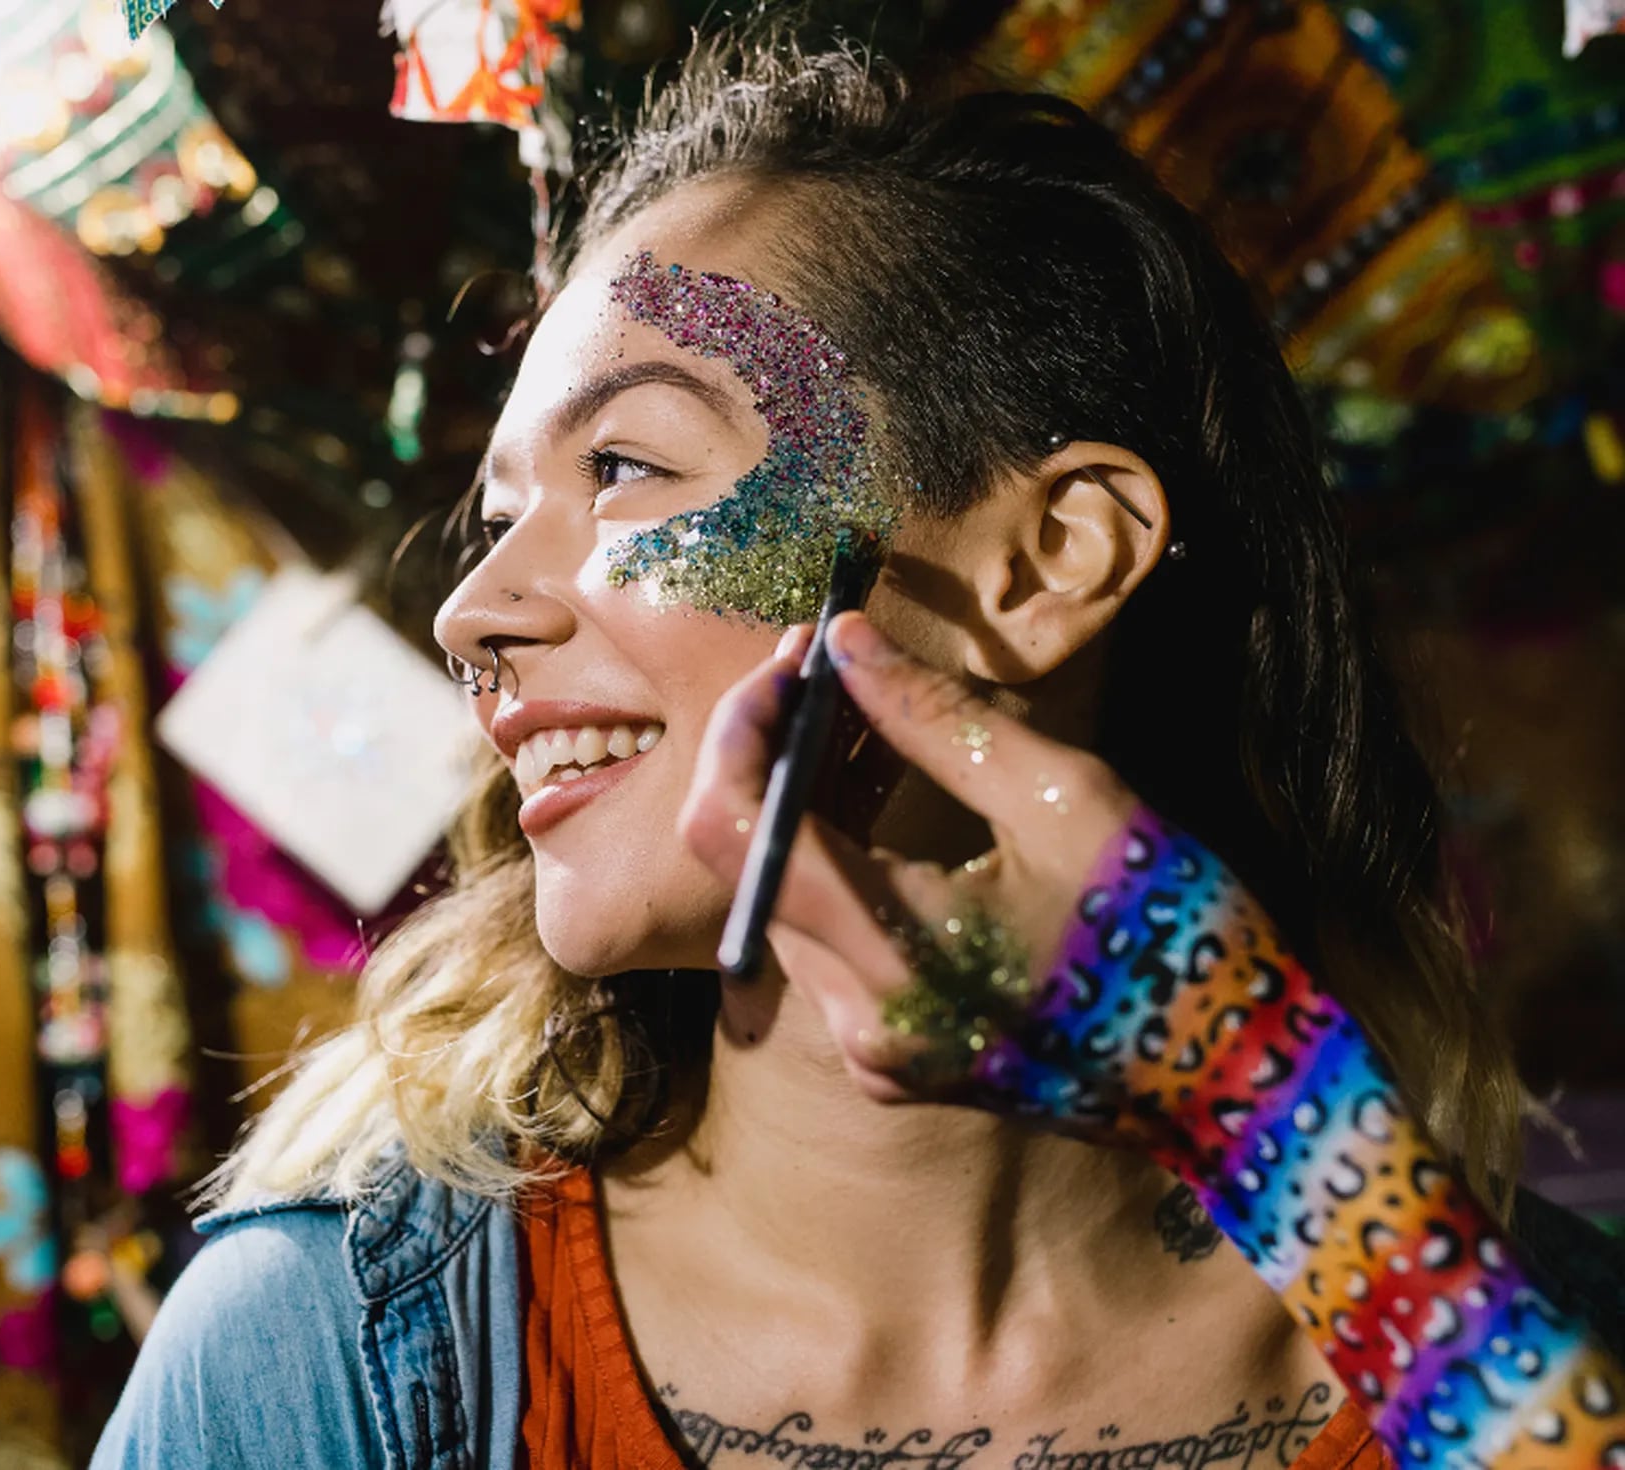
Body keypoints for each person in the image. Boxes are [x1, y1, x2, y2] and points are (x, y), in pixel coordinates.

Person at [93, 29, 1625, 1470]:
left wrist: (1251, 1081)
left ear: (1045, 562)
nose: (475, 611)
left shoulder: (1513, 1331)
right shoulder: (325, 1364)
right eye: (496, 525)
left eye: (624, 465)